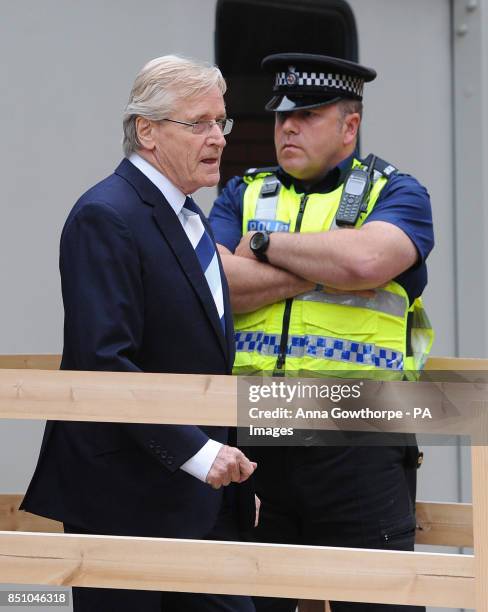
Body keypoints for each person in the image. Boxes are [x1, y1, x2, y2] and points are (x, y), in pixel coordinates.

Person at [21, 55, 257, 612]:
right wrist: (199, 454)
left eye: (221, 122)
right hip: (123, 500)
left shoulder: (189, 217)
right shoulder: (106, 214)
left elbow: (203, 359)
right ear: (146, 132)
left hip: (197, 498)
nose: (217, 138)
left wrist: (228, 467)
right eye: (197, 123)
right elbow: (104, 360)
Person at [209, 53, 434, 612]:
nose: (287, 126)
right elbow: (214, 283)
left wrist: (262, 246)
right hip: (258, 444)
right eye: (281, 116)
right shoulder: (244, 192)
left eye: (307, 115)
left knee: (378, 603)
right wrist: (320, 270)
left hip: (360, 443)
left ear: (349, 126)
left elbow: (365, 263)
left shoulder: (397, 191)